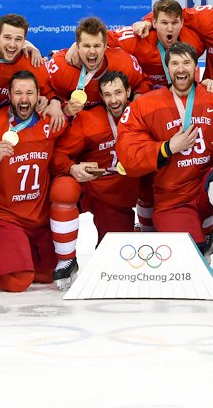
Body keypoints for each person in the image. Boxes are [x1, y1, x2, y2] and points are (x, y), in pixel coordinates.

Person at [117, 42, 213, 253]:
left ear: (196, 67)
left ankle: (212, 232)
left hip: (210, 190)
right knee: (191, 254)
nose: (181, 68)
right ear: (167, 68)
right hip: (174, 200)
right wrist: (167, 148)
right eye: (175, 63)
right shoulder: (144, 106)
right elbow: (129, 155)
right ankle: (202, 234)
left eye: (186, 63)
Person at [0, 70, 65, 292]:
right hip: (3, 216)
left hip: (37, 218)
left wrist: (57, 103)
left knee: (47, 274)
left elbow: (71, 127)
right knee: (17, 281)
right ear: (9, 95)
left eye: (29, 93)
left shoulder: (50, 122)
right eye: (18, 93)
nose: (24, 99)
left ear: (38, 95)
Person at [48, 70, 141, 288]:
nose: (114, 100)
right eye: (107, 95)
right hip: (90, 187)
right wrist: (72, 168)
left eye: (118, 92)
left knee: (115, 264)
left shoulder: (142, 115)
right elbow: (58, 155)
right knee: (63, 188)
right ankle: (66, 259)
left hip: (116, 197)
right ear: (100, 97)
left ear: (128, 92)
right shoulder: (90, 119)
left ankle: (141, 233)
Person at [46, 17, 151, 113]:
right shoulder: (61, 66)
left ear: (105, 47)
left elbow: (143, 83)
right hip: (79, 121)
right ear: (77, 46)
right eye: (86, 46)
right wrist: (64, 108)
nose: (92, 51)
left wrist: (137, 101)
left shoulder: (124, 63)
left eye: (97, 46)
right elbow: (48, 93)